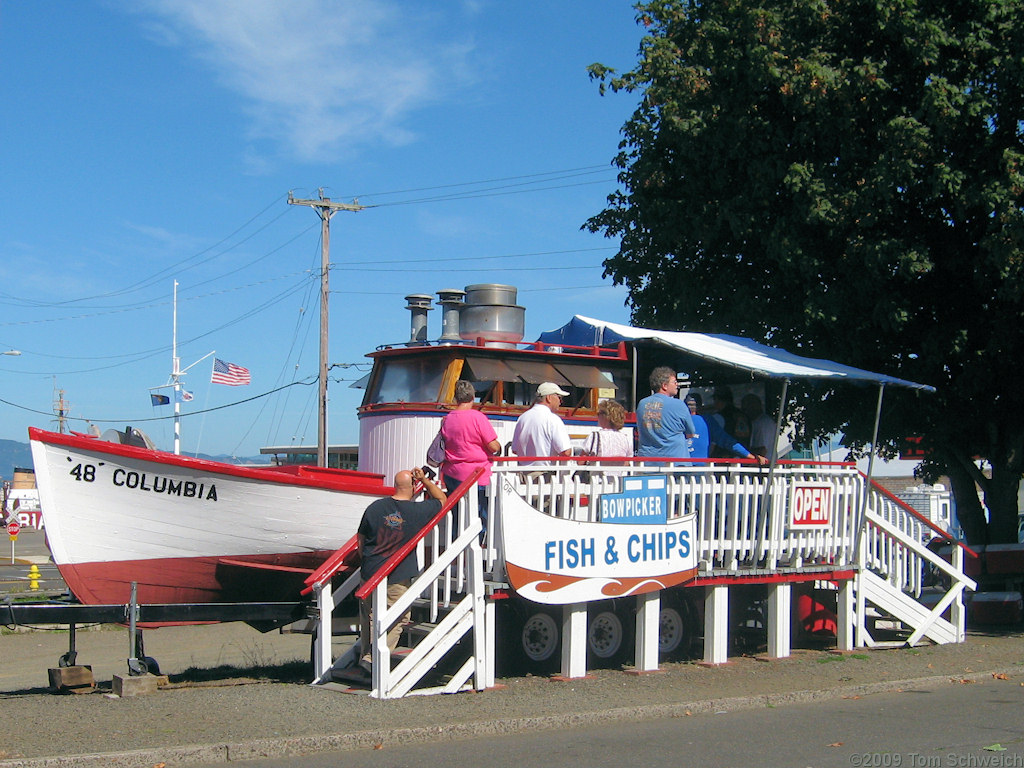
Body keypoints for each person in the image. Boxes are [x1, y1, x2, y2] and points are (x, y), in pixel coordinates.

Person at [350, 466, 447, 681]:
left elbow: (360, 540)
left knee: (369, 617)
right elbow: (442, 500)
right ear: (413, 487)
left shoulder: (375, 507)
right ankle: (372, 659)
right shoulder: (416, 511)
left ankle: (366, 658)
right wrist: (426, 481)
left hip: (369, 571)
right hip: (396, 574)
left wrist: (366, 562)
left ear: (395, 485)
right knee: (399, 617)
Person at [440, 380, 500, 529]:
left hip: (451, 473)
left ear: (456, 398)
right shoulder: (477, 417)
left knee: (457, 515)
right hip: (475, 475)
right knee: (480, 515)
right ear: (473, 396)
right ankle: (479, 544)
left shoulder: (447, 419)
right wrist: (498, 446)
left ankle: (456, 543)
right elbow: (493, 446)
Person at [687, 394, 766, 465]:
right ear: (700, 406)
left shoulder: (677, 421)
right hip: (700, 469)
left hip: (678, 467)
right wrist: (751, 457)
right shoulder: (707, 420)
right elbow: (728, 442)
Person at [636, 366, 696, 459]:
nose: (677, 385)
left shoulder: (642, 404)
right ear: (664, 385)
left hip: (647, 462)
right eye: (674, 382)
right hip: (675, 462)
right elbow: (691, 433)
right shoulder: (679, 404)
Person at [511, 382, 572, 467]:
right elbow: (566, 451)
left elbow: (515, 449)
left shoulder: (523, 418)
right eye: (559, 397)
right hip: (543, 475)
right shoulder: (553, 419)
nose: (561, 402)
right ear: (549, 398)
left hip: (523, 474)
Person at [708, 386, 751, 459]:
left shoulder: (718, 417)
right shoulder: (742, 415)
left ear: (718, 400)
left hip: (723, 460)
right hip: (743, 457)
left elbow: (713, 443)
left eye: (714, 399)